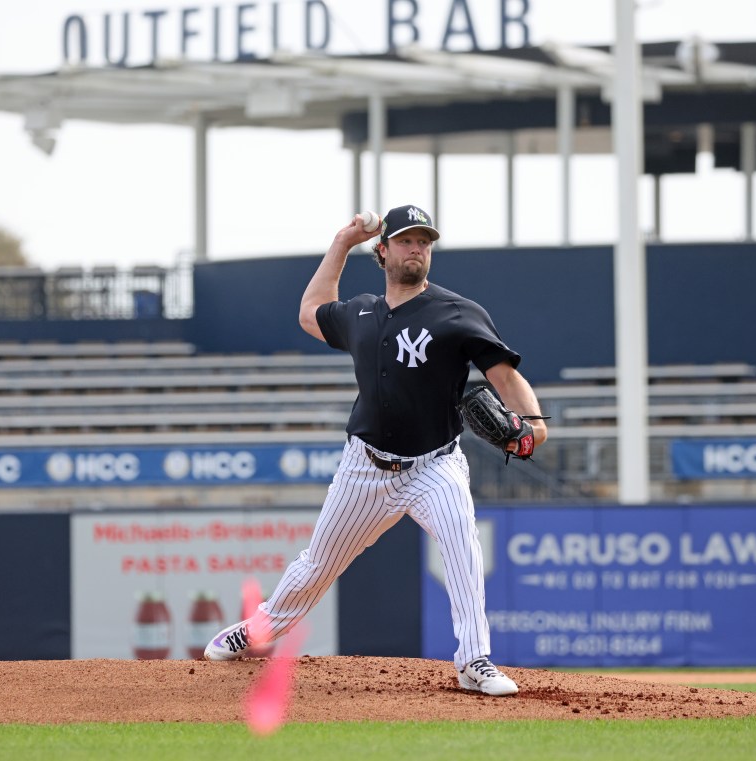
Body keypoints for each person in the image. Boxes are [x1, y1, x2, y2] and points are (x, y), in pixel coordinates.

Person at [204, 204, 547, 697]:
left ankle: (474, 660)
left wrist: (534, 424)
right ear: (382, 251)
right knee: (317, 566)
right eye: (407, 240)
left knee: (463, 549)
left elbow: (505, 377)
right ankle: (258, 630)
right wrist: (342, 242)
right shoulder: (361, 312)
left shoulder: (457, 312)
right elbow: (309, 314)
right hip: (365, 469)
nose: (417, 249)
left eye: (424, 242)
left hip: (435, 463)